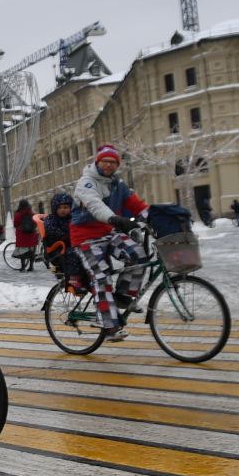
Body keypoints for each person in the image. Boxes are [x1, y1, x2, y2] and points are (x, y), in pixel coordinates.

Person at [71, 144, 150, 337]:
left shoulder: (118, 184)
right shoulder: (86, 182)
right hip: (85, 237)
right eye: (105, 161)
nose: (109, 165)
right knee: (102, 276)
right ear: (98, 162)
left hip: (108, 232)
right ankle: (108, 325)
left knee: (139, 254)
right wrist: (116, 219)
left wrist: (156, 219)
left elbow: (136, 205)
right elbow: (95, 205)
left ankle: (122, 296)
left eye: (113, 162)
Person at [41, 192, 87, 289]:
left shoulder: (73, 218)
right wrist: (69, 236)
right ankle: (73, 281)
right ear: (55, 209)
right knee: (73, 253)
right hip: (56, 253)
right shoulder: (51, 219)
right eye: (60, 208)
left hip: (69, 247)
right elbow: (52, 231)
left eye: (65, 207)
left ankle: (86, 277)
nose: (62, 210)